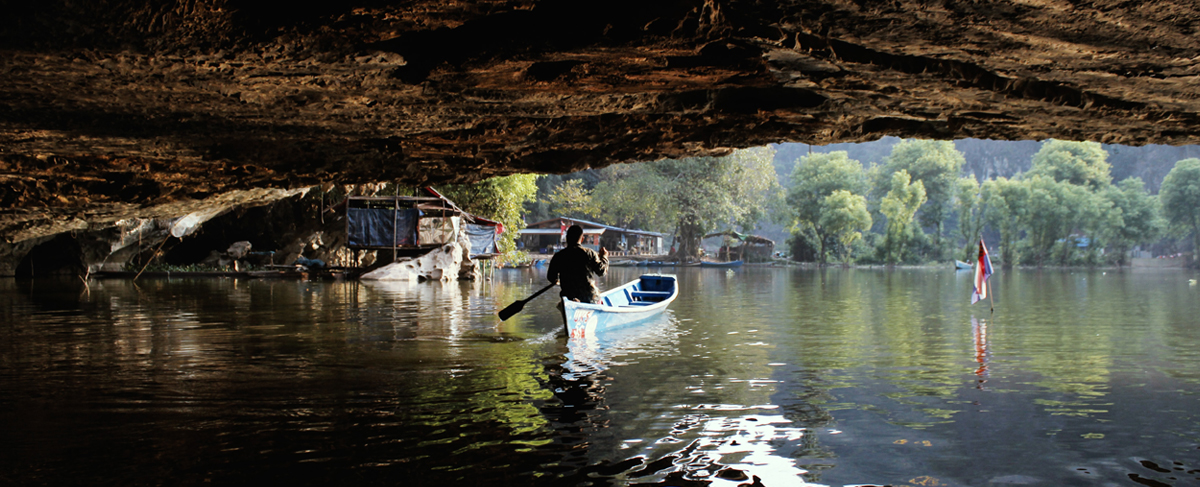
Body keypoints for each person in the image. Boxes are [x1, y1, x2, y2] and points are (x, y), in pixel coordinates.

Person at [547, 225, 609, 308]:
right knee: (598, 297)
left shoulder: (559, 256)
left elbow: (551, 277)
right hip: (589, 298)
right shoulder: (589, 253)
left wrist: (559, 280)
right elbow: (601, 272)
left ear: (567, 238)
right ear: (582, 239)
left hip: (569, 297)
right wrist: (604, 257)